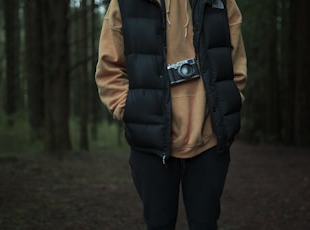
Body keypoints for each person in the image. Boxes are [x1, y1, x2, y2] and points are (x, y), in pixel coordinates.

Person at [95, 0, 247, 229]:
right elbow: (109, 69)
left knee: (205, 224)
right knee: (158, 224)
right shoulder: (125, 3)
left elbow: (236, 62)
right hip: (150, 142)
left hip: (209, 139)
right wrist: (131, 109)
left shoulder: (222, 2)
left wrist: (230, 101)